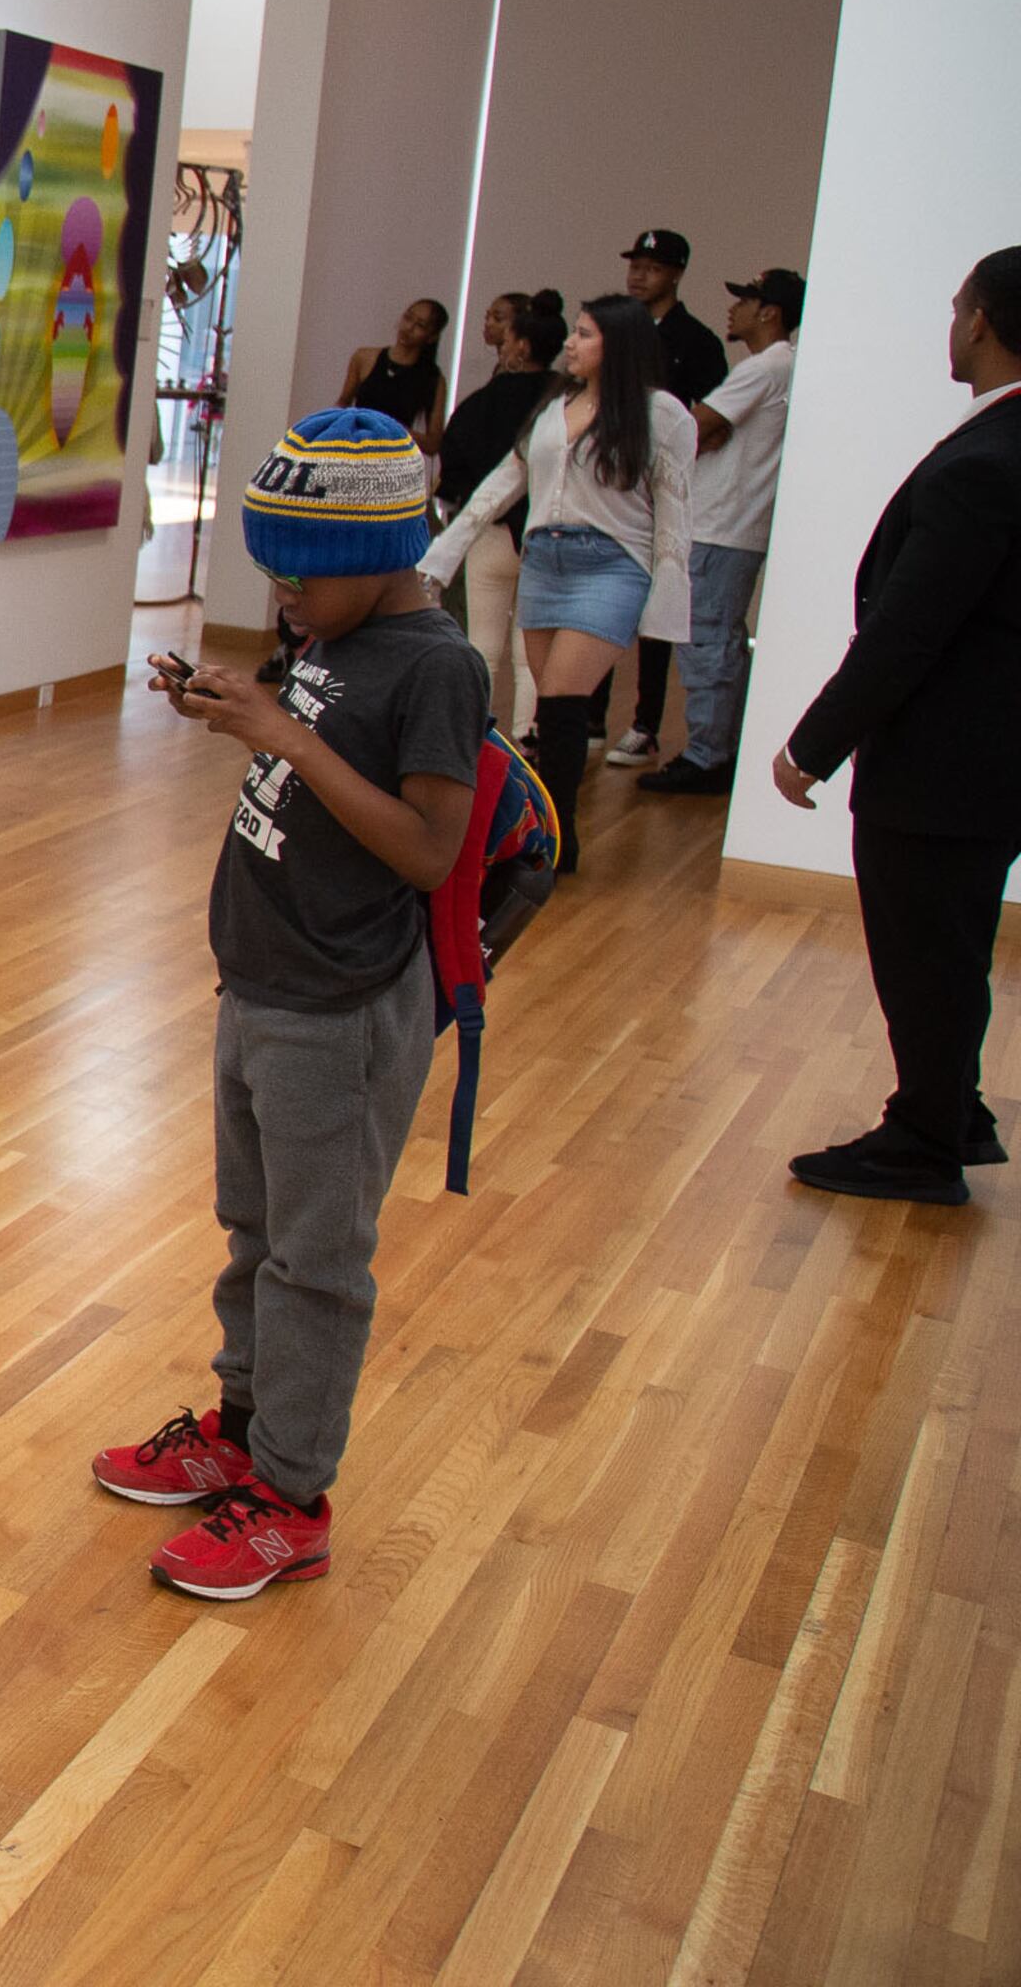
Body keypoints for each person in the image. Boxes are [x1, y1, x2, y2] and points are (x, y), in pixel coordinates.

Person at [96, 409, 480, 1600]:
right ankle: (244, 1426)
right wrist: (243, 711)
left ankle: (291, 1494)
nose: (285, 597)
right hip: (262, 985)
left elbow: (425, 846)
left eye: (302, 577)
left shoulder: (437, 666)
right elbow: (307, 753)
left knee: (317, 1260)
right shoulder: (332, 638)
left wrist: (285, 735)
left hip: (344, 1008)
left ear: (380, 553)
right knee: (253, 1229)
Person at [772, 247, 1021, 1207]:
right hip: (988, 759)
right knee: (950, 944)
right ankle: (952, 1111)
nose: (951, 324)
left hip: (947, 763)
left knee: (927, 952)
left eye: (958, 308)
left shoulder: (986, 463)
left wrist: (811, 744)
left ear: (984, 321)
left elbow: (911, 630)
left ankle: (925, 1139)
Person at [421, 294, 693, 873]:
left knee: (565, 697)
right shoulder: (554, 405)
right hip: (545, 561)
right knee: (552, 707)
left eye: (585, 333)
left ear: (617, 345)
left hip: (613, 566)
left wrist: (667, 602)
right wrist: (441, 557)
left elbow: (675, 511)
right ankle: (547, 828)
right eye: (574, 332)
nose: (570, 343)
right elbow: (502, 483)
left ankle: (556, 839)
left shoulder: (662, 413)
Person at [643, 268, 804, 795]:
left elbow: (696, 428)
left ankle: (707, 755)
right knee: (720, 640)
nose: (732, 310)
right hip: (732, 525)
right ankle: (719, 750)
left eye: (746, 300)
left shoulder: (767, 366)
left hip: (722, 525)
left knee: (708, 640)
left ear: (770, 312)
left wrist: (696, 431)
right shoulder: (780, 367)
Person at [607, 227, 727, 765]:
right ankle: (588, 715)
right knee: (603, 594)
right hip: (610, 478)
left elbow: (717, 420)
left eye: (651, 267)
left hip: (660, 487)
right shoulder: (614, 331)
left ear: (675, 273)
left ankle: (645, 723)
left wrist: (675, 462)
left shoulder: (698, 341)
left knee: (659, 600)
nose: (638, 274)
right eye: (635, 264)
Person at [435, 291, 560, 735]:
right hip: (544, 534)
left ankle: (474, 737)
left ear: (521, 346)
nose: (501, 347)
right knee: (530, 654)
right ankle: (527, 739)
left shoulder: (481, 403)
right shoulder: (564, 404)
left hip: (488, 531)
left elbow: (454, 460)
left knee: (482, 644)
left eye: (505, 338)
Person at [337, 298, 450, 454]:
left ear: (431, 337)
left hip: (393, 461)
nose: (408, 328)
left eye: (420, 325)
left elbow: (433, 444)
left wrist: (393, 427)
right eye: (408, 318)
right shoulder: (364, 358)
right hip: (355, 452)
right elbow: (342, 404)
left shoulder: (433, 380)